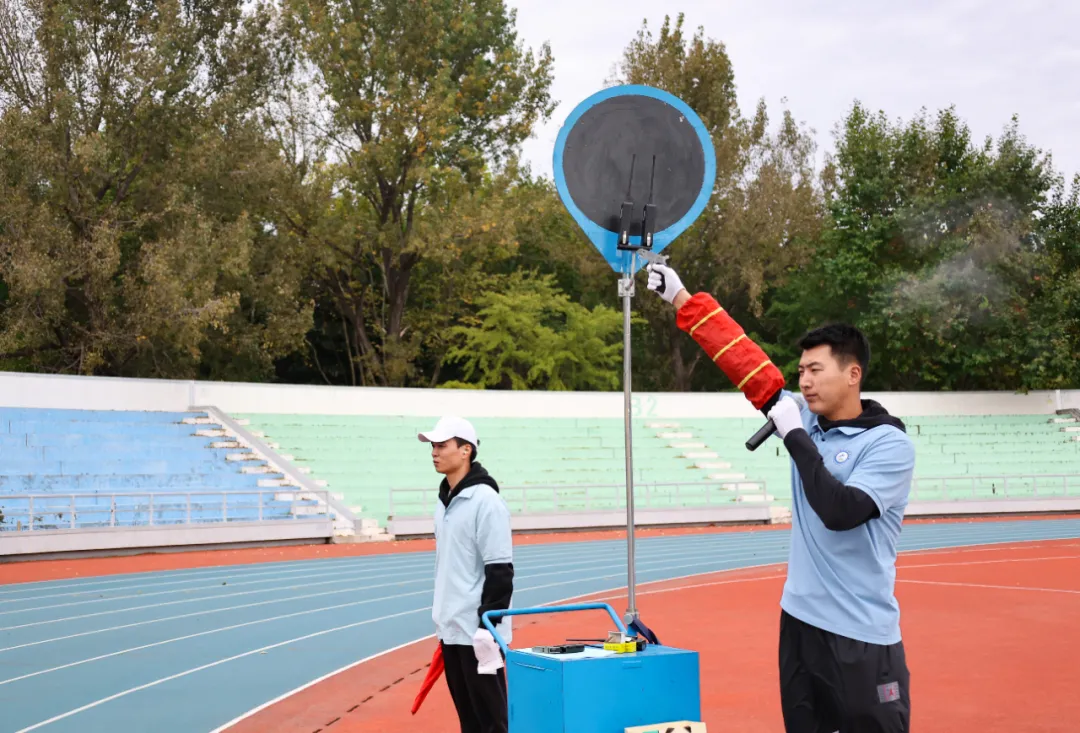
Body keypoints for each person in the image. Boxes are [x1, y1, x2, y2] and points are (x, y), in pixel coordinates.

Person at [646, 262, 915, 733]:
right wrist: (681, 297)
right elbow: (743, 359)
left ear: (853, 374)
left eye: (816, 369)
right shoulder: (804, 418)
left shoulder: (889, 444)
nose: (804, 381)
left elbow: (839, 511)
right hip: (800, 624)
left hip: (861, 635)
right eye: (801, 371)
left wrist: (794, 436)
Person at [418, 415, 514, 733]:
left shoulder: (486, 501)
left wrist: (489, 627)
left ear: (465, 450)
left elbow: (500, 570)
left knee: (492, 722)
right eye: (433, 446)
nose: (434, 452)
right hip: (451, 628)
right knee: (469, 720)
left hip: (479, 632)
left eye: (442, 445)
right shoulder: (444, 500)